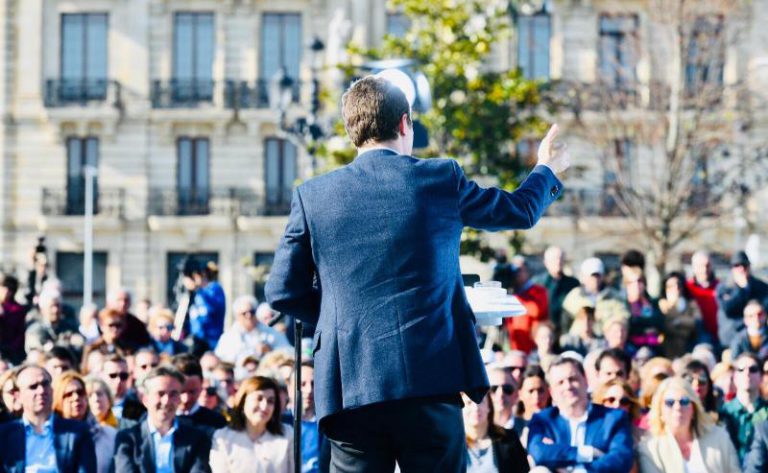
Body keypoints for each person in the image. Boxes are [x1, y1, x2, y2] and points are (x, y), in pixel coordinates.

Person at [265, 75, 569, 470]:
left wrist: (340, 320)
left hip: (350, 385)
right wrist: (547, 168)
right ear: (405, 123)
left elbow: (281, 291)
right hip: (431, 378)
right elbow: (519, 211)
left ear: (351, 132)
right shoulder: (440, 178)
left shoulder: (313, 196)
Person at [527, 356, 634, 471]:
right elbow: (538, 453)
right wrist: (587, 452)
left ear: (586, 381)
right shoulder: (543, 420)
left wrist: (582, 470)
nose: (568, 386)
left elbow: (621, 458)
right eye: (560, 382)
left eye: (573, 379)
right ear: (551, 392)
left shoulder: (613, 418)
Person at [113, 365, 211, 472]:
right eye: (160, 394)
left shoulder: (197, 439)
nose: (166, 401)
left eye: (173, 394)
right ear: (145, 399)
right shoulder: (128, 438)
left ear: (179, 399)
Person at [0, 365, 97, 471]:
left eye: (45, 384)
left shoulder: (77, 431)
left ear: (52, 390)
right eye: (33, 387)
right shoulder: (4, 435)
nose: (41, 390)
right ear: (18, 396)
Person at [638, 376, 740, 472]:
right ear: (660, 411)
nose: (677, 407)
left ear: (694, 408)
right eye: (670, 402)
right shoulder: (649, 449)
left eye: (684, 401)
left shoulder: (719, 437)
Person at [209, 376, 293, 472]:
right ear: (243, 401)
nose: (264, 406)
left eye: (270, 401)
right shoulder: (223, 437)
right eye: (259, 399)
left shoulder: (287, 435)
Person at [53, 371, 116, 473]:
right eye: (69, 394)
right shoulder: (50, 435)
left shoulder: (108, 435)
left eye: (80, 392)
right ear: (58, 399)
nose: (76, 397)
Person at [719, 352, 768, 466]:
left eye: (753, 369)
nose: (747, 373)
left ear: (761, 377)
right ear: (734, 377)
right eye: (741, 369)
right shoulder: (723, 412)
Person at [462, 392, 529, 472]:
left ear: (489, 407)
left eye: (480, 402)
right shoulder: (452, 445)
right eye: (469, 403)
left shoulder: (509, 439)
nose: (476, 408)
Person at [215, 295, 291, 364]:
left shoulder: (270, 332)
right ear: (237, 316)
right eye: (244, 313)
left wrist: (270, 351)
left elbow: (287, 353)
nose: (249, 316)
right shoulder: (229, 336)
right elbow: (221, 360)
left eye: (252, 312)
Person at [561, 257, 629, 335]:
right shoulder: (574, 296)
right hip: (578, 342)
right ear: (584, 276)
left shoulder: (615, 297)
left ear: (603, 276)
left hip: (605, 342)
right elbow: (565, 323)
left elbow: (623, 318)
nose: (595, 279)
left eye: (598, 275)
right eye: (592, 276)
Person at [717, 251, 768, 347]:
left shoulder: (762, 287)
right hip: (731, 340)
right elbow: (728, 310)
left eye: (744, 265)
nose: (741, 269)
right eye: (737, 265)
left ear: (749, 267)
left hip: (759, 340)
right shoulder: (724, 288)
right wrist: (742, 289)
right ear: (732, 269)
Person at [172, 353, 227, 435]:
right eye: (181, 391)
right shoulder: (157, 421)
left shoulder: (217, 422)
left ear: (201, 386)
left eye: (192, 392)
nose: (186, 398)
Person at [181, 258, 227, 354]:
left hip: (212, 340)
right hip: (196, 340)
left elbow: (213, 308)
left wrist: (198, 287)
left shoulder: (214, 288)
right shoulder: (195, 293)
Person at [506, 255, 550, 353]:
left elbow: (535, 310)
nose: (516, 274)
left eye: (519, 270)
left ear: (527, 271)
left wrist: (514, 297)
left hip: (533, 348)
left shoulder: (539, 291)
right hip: (514, 347)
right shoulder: (511, 293)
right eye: (513, 271)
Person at [533, 246, 580, 335]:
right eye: (554, 259)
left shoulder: (573, 284)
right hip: (544, 334)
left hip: (567, 332)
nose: (558, 262)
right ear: (546, 262)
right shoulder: (537, 284)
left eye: (561, 258)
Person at [658, 271, 699, 359]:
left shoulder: (691, 304)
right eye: (670, 286)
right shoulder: (661, 306)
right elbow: (663, 326)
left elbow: (696, 322)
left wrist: (676, 321)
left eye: (678, 285)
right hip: (667, 352)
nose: (676, 288)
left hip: (688, 349)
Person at [686, 250, 719, 343]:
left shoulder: (720, 287)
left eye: (707, 265)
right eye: (700, 266)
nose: (704, 269)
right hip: (695, 338)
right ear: (694, 267)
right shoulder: (687, 287)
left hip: (717, 336)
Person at [0, 273, 26, 365]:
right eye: (3, 287)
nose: (6, 291)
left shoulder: (17, 310)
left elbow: (20, 333)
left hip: (11, 352)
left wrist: (11, 348)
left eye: (10, 289)